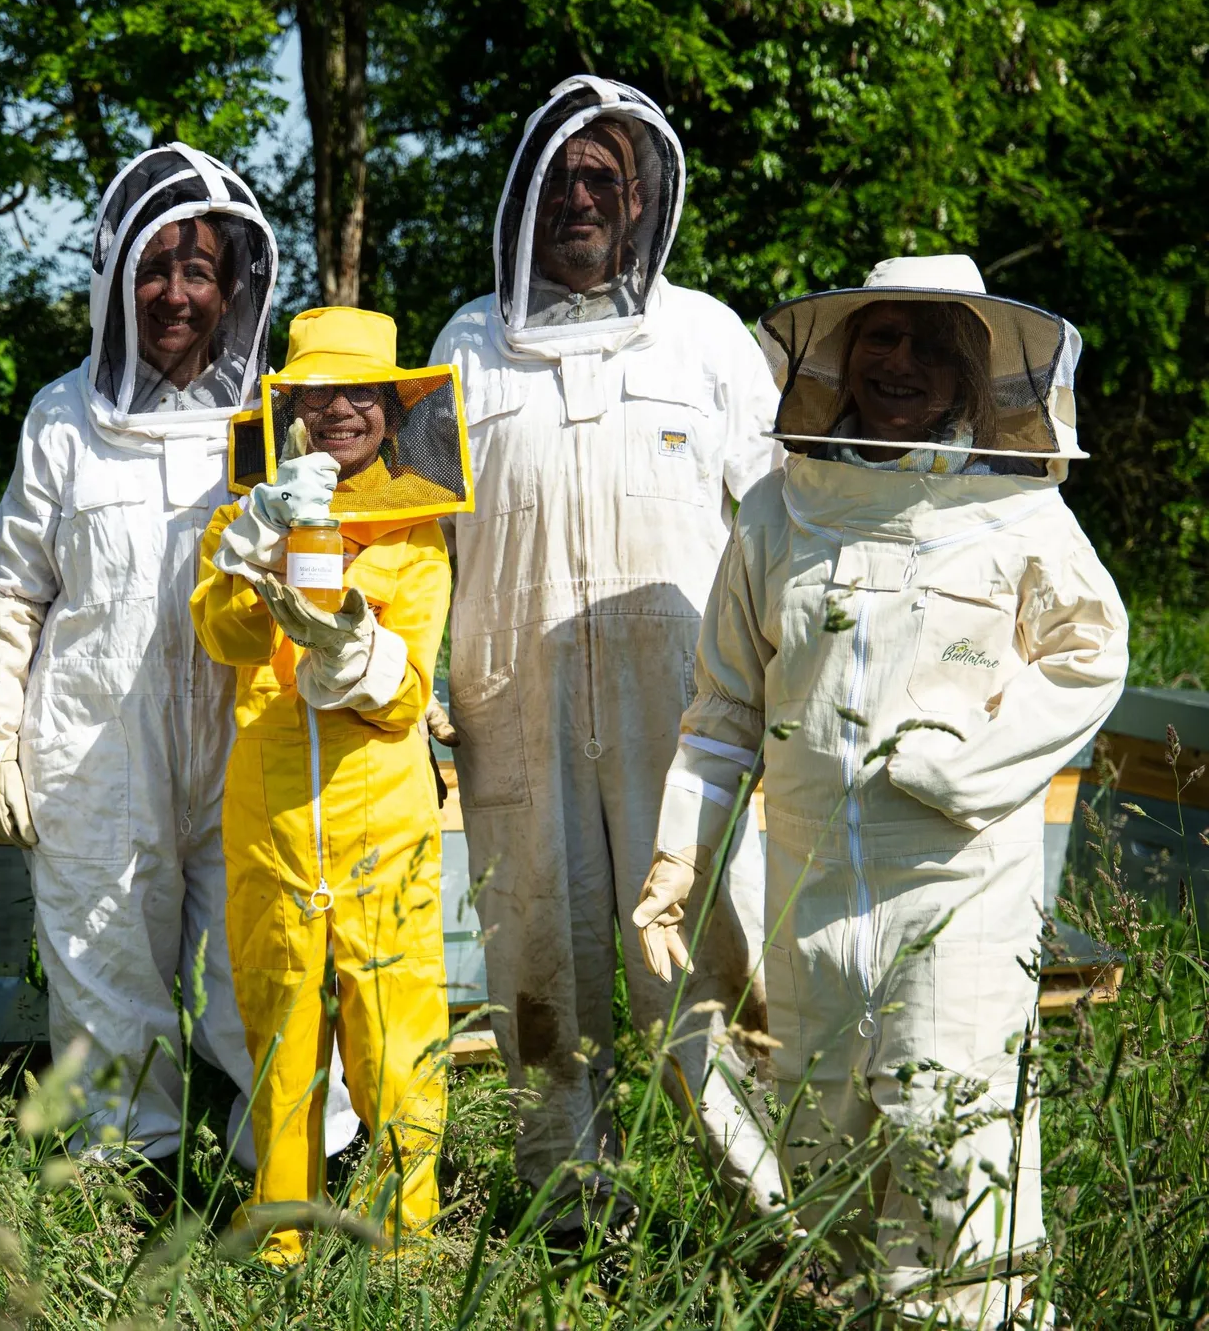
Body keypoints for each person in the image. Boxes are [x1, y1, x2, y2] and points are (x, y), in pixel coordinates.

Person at [634, 254, 1126, 1326]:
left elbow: (1091, 657)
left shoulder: (1020, 514)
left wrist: (966, 770)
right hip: (810, 901)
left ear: (972, 373)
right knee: (829, 1161)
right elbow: (724, 707)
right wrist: (679, 855)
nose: (900, 362)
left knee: (955, 1156)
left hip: (957, 895)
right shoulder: (779, 512)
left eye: (930, 345)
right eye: (880, 338)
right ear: (842, 356)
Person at [426, 75, 783, 1224]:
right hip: (512, 708)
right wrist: (413, 674)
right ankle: (570, 1207)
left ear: (641, 202)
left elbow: (778, 524)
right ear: (525, 195)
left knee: (710, 951)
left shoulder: (709, 336)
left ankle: (773, 1210)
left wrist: (787, 678)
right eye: (560, 177)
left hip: (683, 712)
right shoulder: (467, 344)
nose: (578, 197)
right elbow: (416, 537)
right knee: (537, 956)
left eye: (603, 179)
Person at [0, 145, 357, 1164]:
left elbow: (348, 567)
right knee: (105, 973)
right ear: (115, 278)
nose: (175, 294)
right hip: (94, 747)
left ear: (234, 288)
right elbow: (12, 585)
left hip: (245, 742)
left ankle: (292, 1163)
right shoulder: (63, 418)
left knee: (260, 965)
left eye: (198, 271)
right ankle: (129, 1170)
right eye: (153, 268)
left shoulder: (278, 420)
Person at [192, 306, 455, 1266]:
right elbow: (225, 639)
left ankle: (405, 1244)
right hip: (271, 813)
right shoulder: (239, 514)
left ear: (394, 408)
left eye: (362, 393)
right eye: (319, 393)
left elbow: (408, 694)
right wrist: (255, 541)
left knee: (395, 1029)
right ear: (288, 405)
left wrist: (355, 655)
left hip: (381, 810)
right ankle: (281, 1235)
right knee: (278, 1026)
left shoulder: (416, 536)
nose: (340, 409)